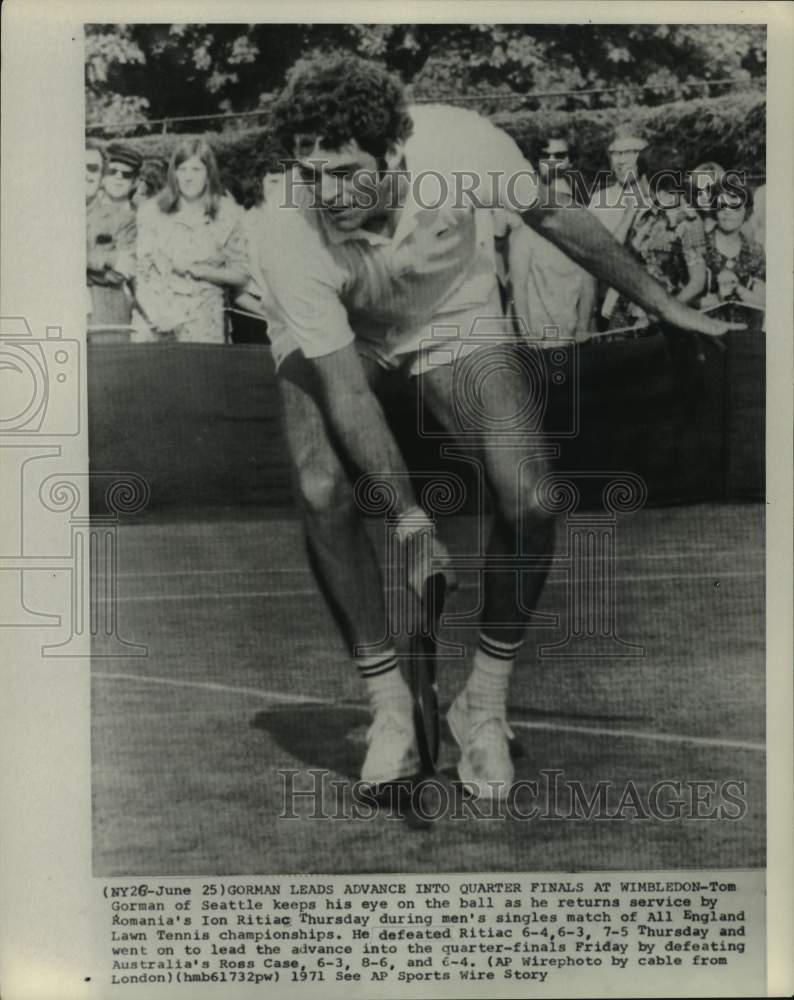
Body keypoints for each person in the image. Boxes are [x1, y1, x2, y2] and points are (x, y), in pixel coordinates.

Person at [248, 54, 739, 800]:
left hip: (452, 318)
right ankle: (390, 712)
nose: (328, 193)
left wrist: (662, 302)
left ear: (395, 150)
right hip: (340, 333)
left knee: (535, 497)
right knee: (320, 486)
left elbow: (558, 219)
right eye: (310, 172)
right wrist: (411, 520)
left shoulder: (463, 147)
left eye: (348, 170)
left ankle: (482, 705)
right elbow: (349, 392)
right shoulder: (285, 227)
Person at [136, 136, 249, 343]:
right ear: (174, 173)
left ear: (209, 174)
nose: (188, 177)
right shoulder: (151, 211)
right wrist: (157, 314)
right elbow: (140, 273)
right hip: (156, 321)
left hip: (204, 323)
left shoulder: (229, 214)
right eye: (183, 169)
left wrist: (200, 270)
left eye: (196, 170)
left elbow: (241, 274)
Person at [602, 146, 707, 330]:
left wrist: (664, 312)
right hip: (625, 315)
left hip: (662, 324)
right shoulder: (642, 214)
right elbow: (610, 253)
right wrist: (629, 214)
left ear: (645, 178)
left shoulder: (689, 220)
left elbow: (697, 282)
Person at [508, 176, 596, 342]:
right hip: (538, 335)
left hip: (570, 334)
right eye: (553, 198)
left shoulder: (581, 237)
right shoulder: (525, 235)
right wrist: (527, 335)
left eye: (566, 199)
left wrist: (582, 327)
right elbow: (519, 288)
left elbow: (588, 286)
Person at [86, 142, 140, 327]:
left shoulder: (131, 218)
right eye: (113, 171)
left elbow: (121, 273)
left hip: (108, 310)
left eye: (126, 174)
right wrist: (108, 259)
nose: (119, 178)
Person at [701, 180, 765, 308]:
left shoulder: (755, 251)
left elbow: (764, 301)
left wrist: (741, 291)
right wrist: (717, 299)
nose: (727, 211)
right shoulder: (699, 246)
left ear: (746, 210)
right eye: (721, 206)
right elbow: (680, 301)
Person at [588, 126, 648, 235]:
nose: (621, 161)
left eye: (629, 152)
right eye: (615, 153)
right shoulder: (599, 199)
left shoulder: (661, 196)